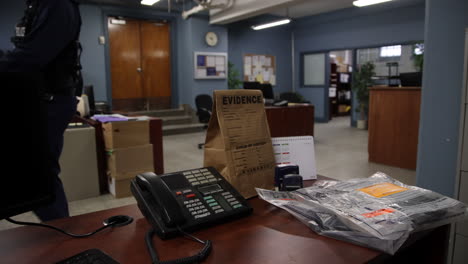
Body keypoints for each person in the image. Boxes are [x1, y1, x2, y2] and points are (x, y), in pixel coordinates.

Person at [0, 0, 83, 221]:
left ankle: (60, 233)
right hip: (38, 97)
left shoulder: (58, 5)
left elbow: (33, 55)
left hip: (50, 100)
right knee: (36, 171)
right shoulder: (36, 6)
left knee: (41, 172)